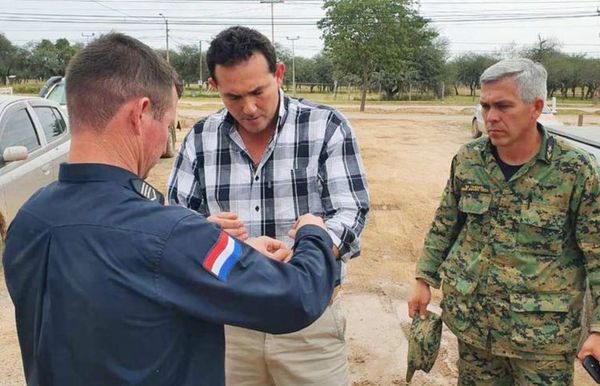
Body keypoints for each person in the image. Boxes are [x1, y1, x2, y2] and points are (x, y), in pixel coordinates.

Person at [2, 32, 339, 386]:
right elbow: (297, 295)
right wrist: (313, 233)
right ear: (141, 114)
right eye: (167, 126)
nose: (165, 141)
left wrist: (218, 250)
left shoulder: (28, 221)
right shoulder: (173, 234)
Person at [168, 26, 369, 386]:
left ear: (278, 74)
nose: (248, 108)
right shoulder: (199, 139)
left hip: (309, 325)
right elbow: (174, 222)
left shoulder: (325, 127)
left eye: (258, 91)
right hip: (229, 324)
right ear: (214, 87)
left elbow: (351, 210)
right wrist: (213, 237)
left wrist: (310, 250)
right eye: (233, 97)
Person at [408, 57, 600, 385]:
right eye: (485, 106)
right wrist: (423, 280)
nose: (491, 117)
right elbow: (445, 224)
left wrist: (598, 329)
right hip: (475, 329)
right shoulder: (469, 160)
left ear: (536, 107)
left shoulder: (576, 171)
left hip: (543, 340)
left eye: (503, 106)